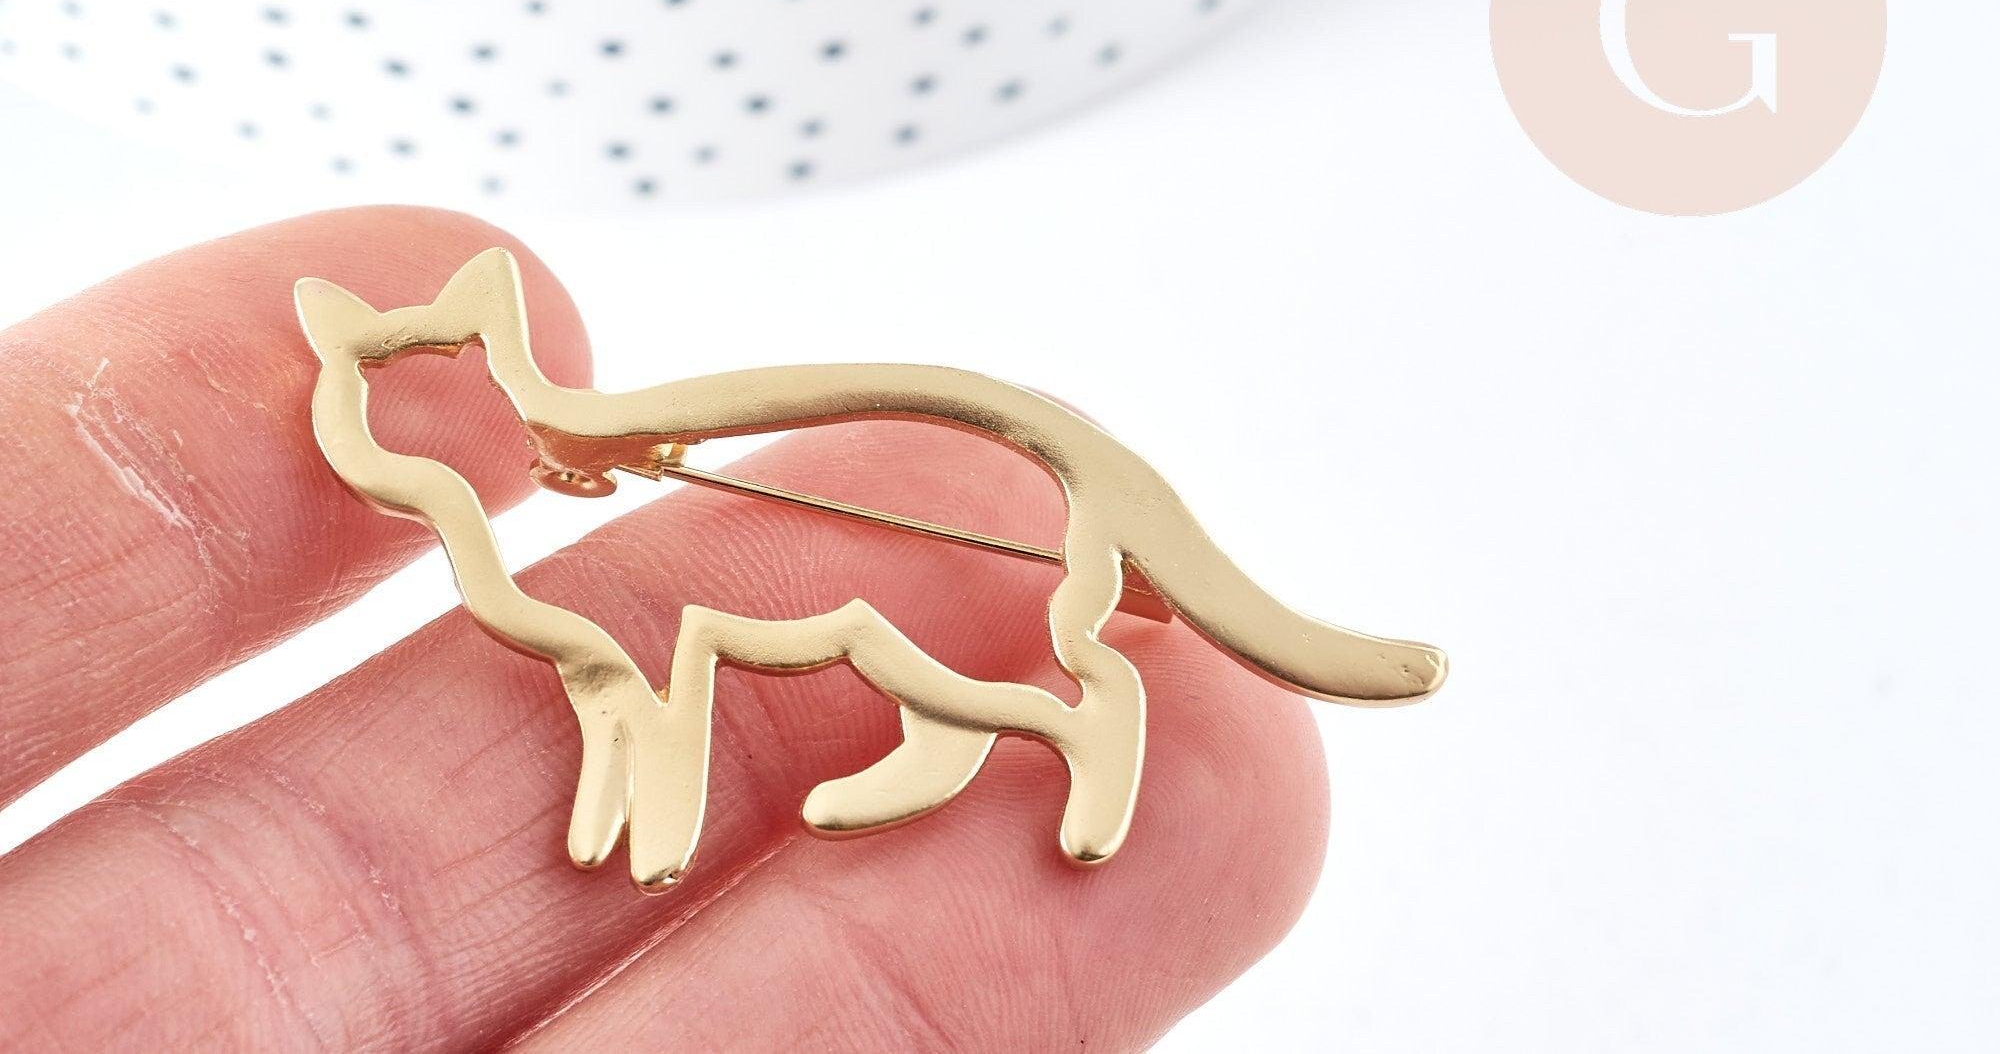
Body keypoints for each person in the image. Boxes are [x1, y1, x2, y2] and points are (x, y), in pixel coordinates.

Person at [0, 207, 1329, 1048]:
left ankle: (1080, 734)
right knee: (717, 661)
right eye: (372, 398)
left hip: (940, 534)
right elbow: (607, 672)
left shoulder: (582, 439)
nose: (399, 431)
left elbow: (649, 660)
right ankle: (877, 761)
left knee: (864, 639)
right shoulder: (485, 500)